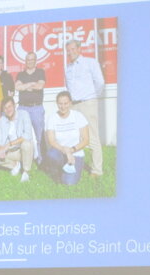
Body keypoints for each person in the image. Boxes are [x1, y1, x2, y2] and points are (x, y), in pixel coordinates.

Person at [64, 39, 105, 177]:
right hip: (74, 105)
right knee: (77, 137)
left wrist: (93, 97)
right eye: (68, 50)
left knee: (92, 137)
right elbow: (68, 87)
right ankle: (75, 166)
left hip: (88, 103)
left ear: (79, 48)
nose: (71, 52)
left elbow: (100, 82)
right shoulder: (68, 68)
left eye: (73, 49)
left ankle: (96, 170)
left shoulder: (90, 62)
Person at [44, 91, 89, 186]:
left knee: (68, 183)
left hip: (76, 154)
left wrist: (72, 150)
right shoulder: (52, 118)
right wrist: (66, 151)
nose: (63, 106)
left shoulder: (78, 116)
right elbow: (51, 141)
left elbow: (86, 140)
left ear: (70, 103)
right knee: (51, 154)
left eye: (65, 103)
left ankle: (73, 168)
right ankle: (57, 171)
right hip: (60, 152)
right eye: (60, 103)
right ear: (57, 104)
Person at [0, 97, 34, 182]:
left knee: (27, 144)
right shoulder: (1, 121)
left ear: (14, 106)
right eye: (5, 108)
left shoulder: (24, 114)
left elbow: (28, 135)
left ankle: (25, 172)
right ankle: (15, 165)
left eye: (10, 106)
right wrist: (1, 150)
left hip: (22, 150)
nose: (8, 110)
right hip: (10, 152)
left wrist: (9, 144)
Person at [15, 51, 46, 164]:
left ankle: (42, 160)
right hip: (22, 108)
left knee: (40, 136)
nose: (30, 62)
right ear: (25, 61)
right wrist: (31, 84)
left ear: (35, 61)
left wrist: (25, 86)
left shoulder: (40, 72)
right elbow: (17, 87)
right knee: (20, 135)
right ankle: (21, 160)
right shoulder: (21, 74)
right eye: (28, 60)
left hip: (36, 108)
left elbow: (40, 86)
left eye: (32, 59)